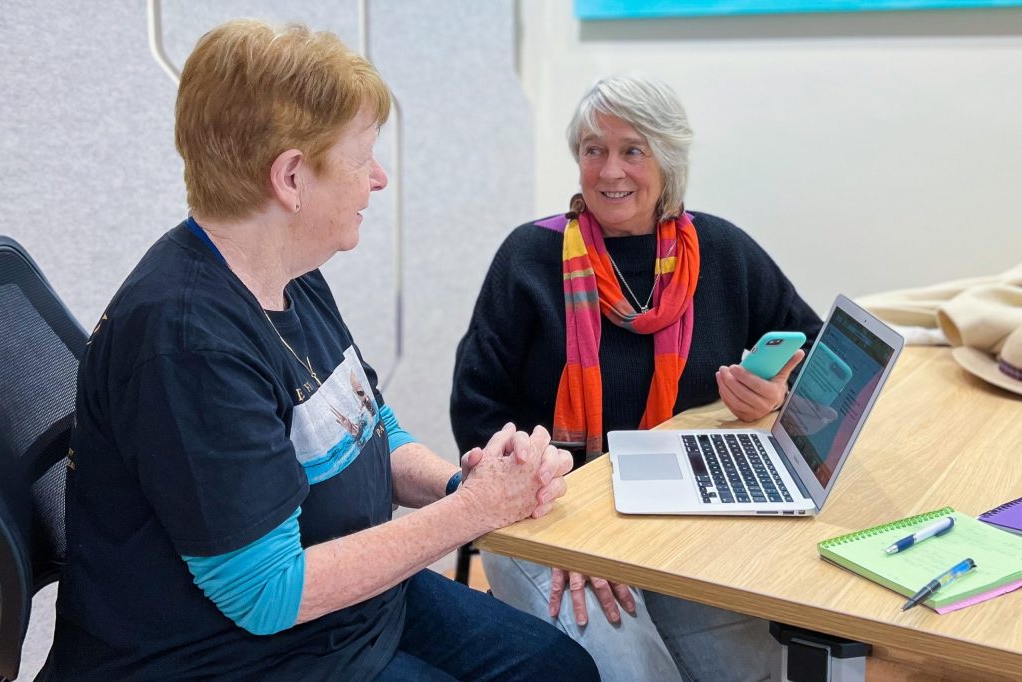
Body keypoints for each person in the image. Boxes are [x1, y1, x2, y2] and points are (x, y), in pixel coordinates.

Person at [47, 20, 599, 681]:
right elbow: (267, 594)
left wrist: (464, 484)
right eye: (362, 157)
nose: (379, 178)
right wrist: (474, 512)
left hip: (342, 607)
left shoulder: (287, 271)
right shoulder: (189, 340)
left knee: (558, 669)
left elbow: (368, 427)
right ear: (290, 177)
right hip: (231, 656)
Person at [451, 74, 823, 681]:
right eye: (593, 150)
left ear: (667, 161)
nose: (609, 171)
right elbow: (478, 411)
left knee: (749, 668)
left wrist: (778, 395)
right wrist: (562, 528)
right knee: (633, 672)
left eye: (632, 150)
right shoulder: (529, 257)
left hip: (681, 513)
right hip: (548, 511)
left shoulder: (723, 251)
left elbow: (815, 352)